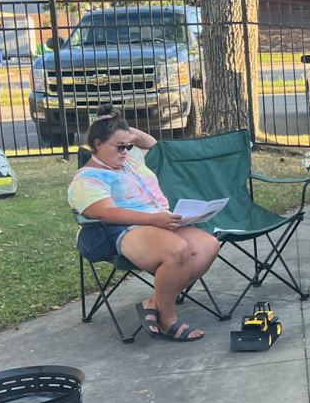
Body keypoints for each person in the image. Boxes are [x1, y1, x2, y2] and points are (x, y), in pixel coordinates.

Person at [67, 105, 221, 341]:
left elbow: (151, 144)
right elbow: (106, 214)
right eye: (120, 146)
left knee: (208, 245)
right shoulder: (88, 178)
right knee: (177, 251)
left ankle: (153, 303)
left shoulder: (130, 158)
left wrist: (131, 134)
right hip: (117, 230)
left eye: (128, 145)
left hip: (158, 221)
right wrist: (153, 219)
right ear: (98, 144)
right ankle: (168, 320)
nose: (125, 151)